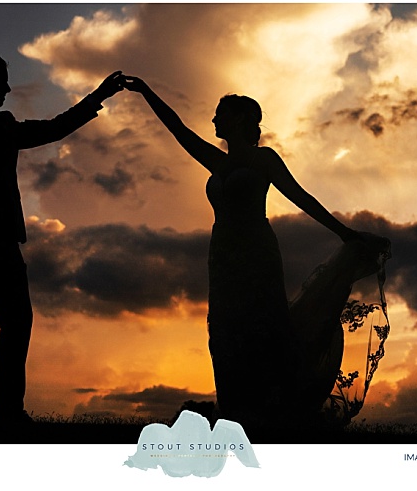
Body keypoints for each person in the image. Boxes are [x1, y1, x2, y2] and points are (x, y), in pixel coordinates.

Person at [119, 75, 376, 427]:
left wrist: (345, 233)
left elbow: (301, 197)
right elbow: (176, 129)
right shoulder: (217, 162)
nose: (213, 120)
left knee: (262, 329)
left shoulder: (264, 160)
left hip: (257, 255)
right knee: (226, 331)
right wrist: (146, 90)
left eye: (219, 114)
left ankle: (271, 412)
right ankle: (238, 413)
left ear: (238, 119)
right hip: (222, 257)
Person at [0, 52, 124, 425]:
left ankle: (10, 411)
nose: (9, 88)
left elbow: (54, 128)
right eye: (2, 80)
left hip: (5, 244)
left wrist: (99, 96)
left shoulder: (5, 125)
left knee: (17, 325)